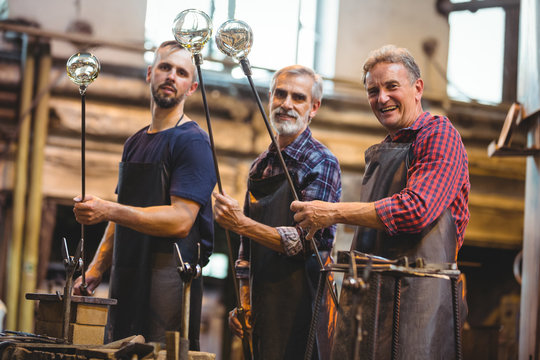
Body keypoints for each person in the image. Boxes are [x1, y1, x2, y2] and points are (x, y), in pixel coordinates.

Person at [291, 45, 470, 359]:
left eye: (391, 87)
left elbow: (417, 209)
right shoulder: (381, 152)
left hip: (420, 300)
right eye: (373, 91)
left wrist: (331, 212)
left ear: (418, 88)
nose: (382, 98)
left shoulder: (440, 135)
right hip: (372, 295)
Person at [72, 40, 217, 349]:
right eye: (165, 68)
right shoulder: (134, 142)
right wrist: (96, 269)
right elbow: (121, 213)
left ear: (191, 87)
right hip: (127, 276)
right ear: (150, 73)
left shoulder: (193, 143)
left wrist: (109, 209)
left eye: (181, 72)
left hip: (170, 282)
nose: (171, 76)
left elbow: (181, 221)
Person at [213, 65, 342, 359]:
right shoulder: (260, 165)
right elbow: (246, 253)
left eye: (298, 97)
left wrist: (241, 224)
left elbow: (305, 242)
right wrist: (244, 303)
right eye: (280, 94)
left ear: (314, 108)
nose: (286, 104)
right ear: (270, 97)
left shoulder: (321, 162)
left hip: (304, 306)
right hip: (262, 306)